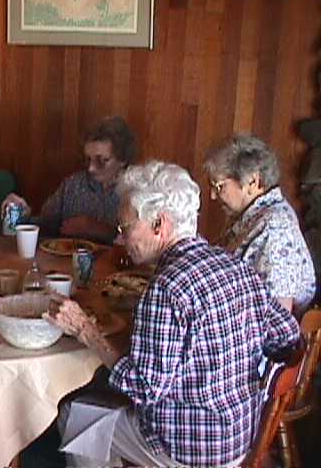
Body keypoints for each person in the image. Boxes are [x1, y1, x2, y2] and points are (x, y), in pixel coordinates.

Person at [44, 161, 300, 467]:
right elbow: (288, 335)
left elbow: (142, 387)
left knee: (74, 416)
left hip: (190, 450)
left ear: (159, 224)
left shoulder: (166, 288)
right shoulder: (236, 266)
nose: (120, 239)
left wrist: (84, 329)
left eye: (125, 228)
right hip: (242, 438)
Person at [204, 134, 316, 315]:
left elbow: (278, 317)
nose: (213, 196)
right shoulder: (250, 216)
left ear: (252, 182)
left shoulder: (276, 228)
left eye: (219, 186)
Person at [1, 116, 136, 244]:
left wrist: (97, 228)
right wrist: (24, 214)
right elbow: (45, 226)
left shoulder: (136, 191)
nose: (91, 168)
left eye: (101, 161)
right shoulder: (73, 185)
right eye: (88, 159)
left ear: (122, 159)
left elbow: (140, 245)